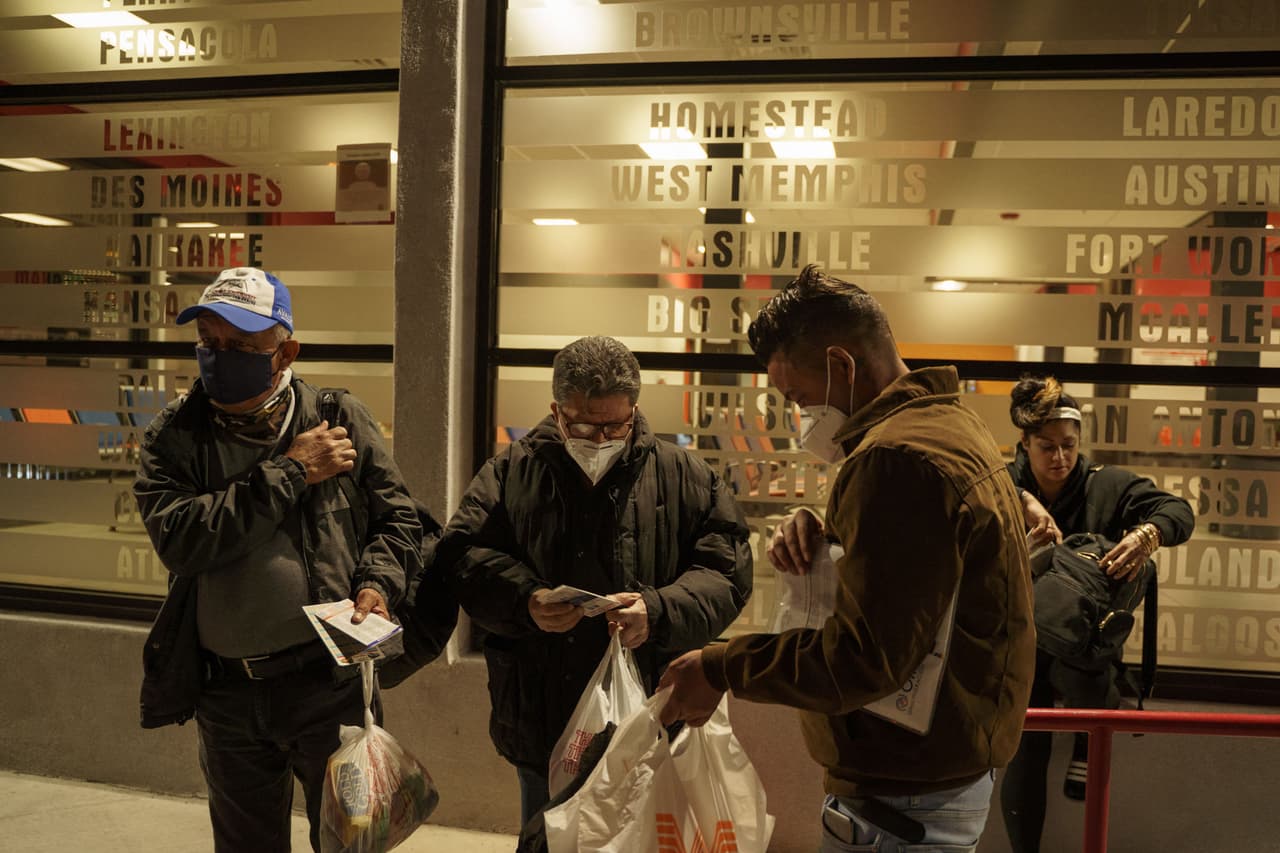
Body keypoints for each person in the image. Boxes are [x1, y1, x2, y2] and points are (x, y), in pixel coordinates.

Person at [659, 264, 1037, 853]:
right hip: (944, 769)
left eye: (798, 396)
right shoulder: (948, 424)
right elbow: (925, 570)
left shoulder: (895, 460)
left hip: (901, 798)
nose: (801, 416)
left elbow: (863, 661)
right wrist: (830, 532)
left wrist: (720, 667)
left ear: (841, 365)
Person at [134, 267, 423, 853]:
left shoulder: (338, 417)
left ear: (285, 352)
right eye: (209, 342)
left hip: (329, 683)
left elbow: (399, 520)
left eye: (241, 346)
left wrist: (377, 584)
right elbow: (182, 540)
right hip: (228, 692)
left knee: (351, 843)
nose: (220, 357)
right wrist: (292, 470)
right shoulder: (175, 436)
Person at [437, 335, 753, 828]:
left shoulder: (687, 476)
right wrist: (526, 600)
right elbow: (462, 555)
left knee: (643, 835)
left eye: (615, 425)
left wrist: (657, 611)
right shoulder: (511, 472)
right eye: (583, 424)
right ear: (557, 411)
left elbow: (726, 572)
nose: (600, 438)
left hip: (649, 708)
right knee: (546, 832)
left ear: (634, 411)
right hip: (542, 709)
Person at [1000, 375, 1194, 853]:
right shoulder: (1001, 484)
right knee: (1025, 752)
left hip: (1083, 647)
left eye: (1069, 445)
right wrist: (1019, 504)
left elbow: (1178, 511)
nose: (1060, 457)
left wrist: (1147, 534)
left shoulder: (1104, 484)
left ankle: (1090, 737)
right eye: (1047, 446)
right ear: (1024, 444)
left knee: (1089, 688)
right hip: (1018, 643)